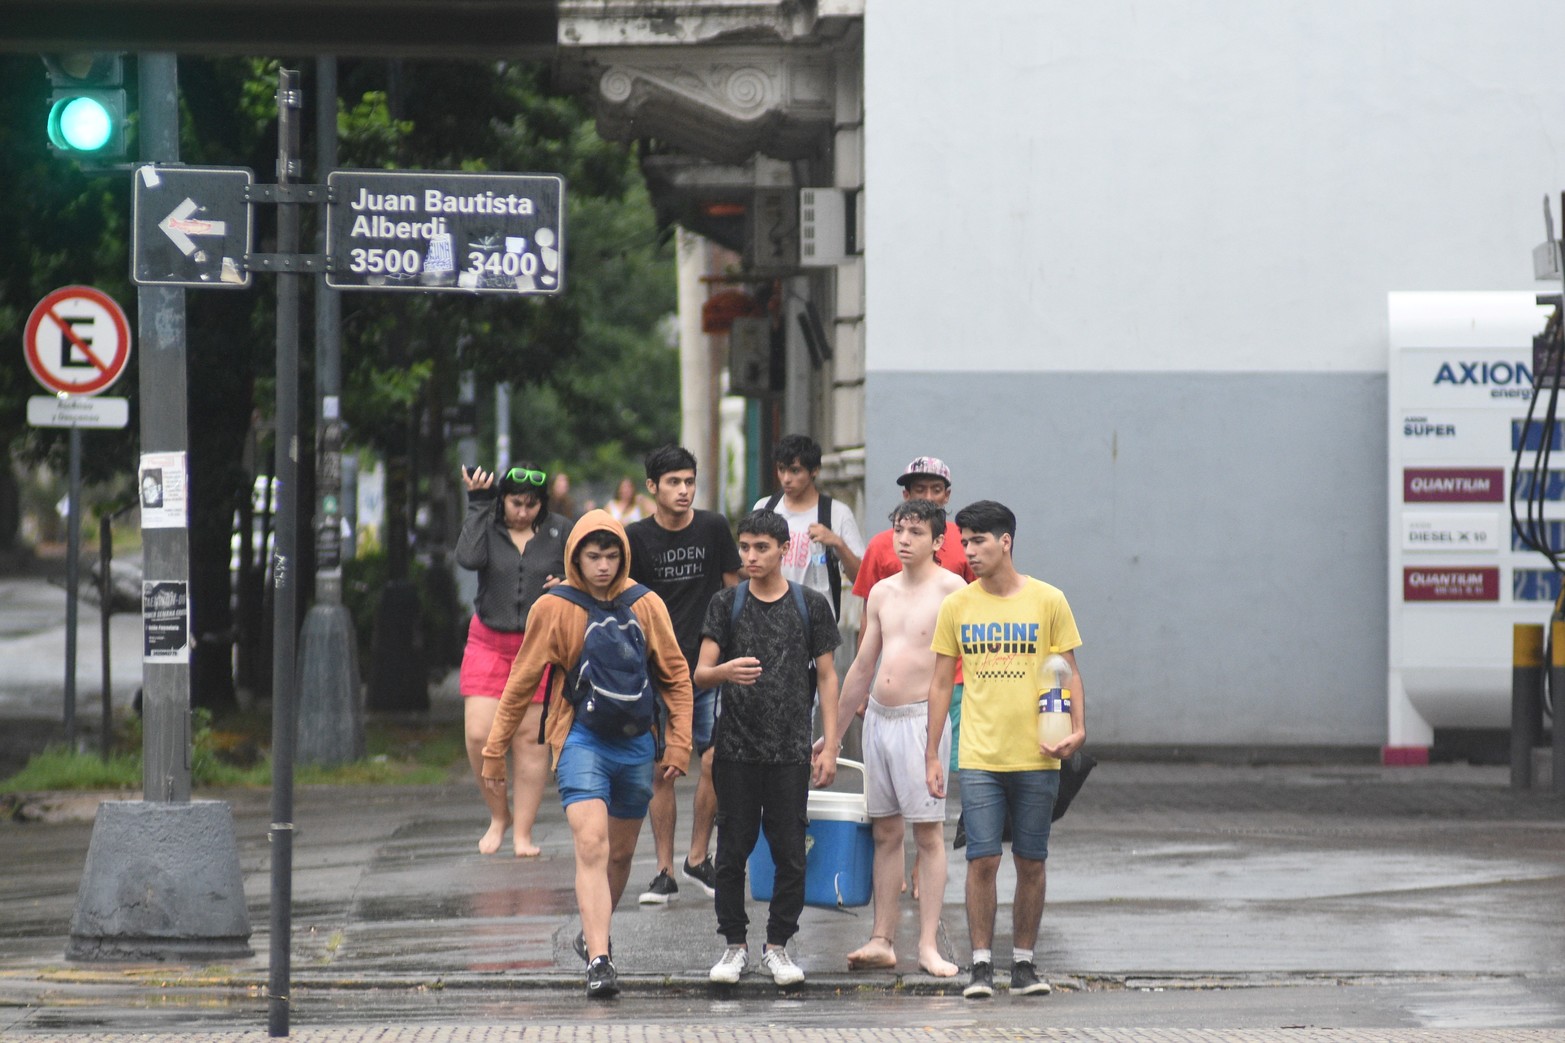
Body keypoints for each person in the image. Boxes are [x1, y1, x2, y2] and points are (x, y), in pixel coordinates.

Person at [482, 510, 693, 999]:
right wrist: (496, 752)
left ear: (623, 556)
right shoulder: (554, 608)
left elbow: (677, 677)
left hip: (638, 744)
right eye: (592, 556)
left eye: (611, 555)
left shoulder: (647, 604)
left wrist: (679, 744)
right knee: (592, 845)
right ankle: (600, 959)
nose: (602, 565)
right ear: (576, 556)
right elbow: (520, 683)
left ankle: (592, 933)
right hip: (580, 739)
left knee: (619, 854)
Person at [925, 500, 1085, 1000]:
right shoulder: (958, 605)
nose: (968, 551)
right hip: (979, 755)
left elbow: (1069, 671)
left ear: (1006, 541)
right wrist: (932, 753)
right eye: (964, 541)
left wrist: (1078, 730)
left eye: (978, 541)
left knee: (1032, 861)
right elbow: (937, 686)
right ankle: (979, 966)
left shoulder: (1048, 600)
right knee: (982, 861)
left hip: (1039, 753)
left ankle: (1023, 964)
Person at [817, 499, 966, 977]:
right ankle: (882, 937)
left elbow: (958, 674)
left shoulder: (954, 591)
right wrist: (834, 736)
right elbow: (862, 666)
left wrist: (933, 749)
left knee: (928, 834)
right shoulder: (880, 591)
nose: (903, 539)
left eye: (916, 532)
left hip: (923, 720)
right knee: (884, 831)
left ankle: (927, 945)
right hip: (879, 719)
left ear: (938, 541)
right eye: (899, 530)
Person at [695, 509, 841, 987]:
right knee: (732, 852)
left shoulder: (810, 604)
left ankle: (778, 946)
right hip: (735, 749)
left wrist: (831, 745)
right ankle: (732, 946)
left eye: (761, 548)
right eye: (745, 547)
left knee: (790, 853)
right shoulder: (726, 603)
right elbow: (700, 673)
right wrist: (725, 672)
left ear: (783, 550)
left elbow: (827, 675)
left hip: (790, 752)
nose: (751, 557)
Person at [625, 445, 741, 904]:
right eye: (674, 482)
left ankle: (698, 857)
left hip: (708, 664)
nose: (684, 490)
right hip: (657, 668)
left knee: (713, 760)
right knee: (663, 771)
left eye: (689, 481)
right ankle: (664, 870)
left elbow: (734, 586)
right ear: (652, 486)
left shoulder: (712, 528)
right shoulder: (636, 537)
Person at [455, 463, 567, 857]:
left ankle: (523, 833)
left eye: (532, 504)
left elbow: (589, 569)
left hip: (537, 647)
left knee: (529, 741)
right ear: (503, 500)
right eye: (516, 503)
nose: (523, 511)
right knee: (480, 735)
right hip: (489, 641)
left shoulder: (559, 532)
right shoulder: (488, 525)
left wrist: (569, 582)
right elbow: (467, 558)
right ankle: (498, 816)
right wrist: (478, 504)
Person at [852, 455, 975, 773]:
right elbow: (869, 616)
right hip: (899, 685)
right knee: (902, 775)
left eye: (937, 489)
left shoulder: (964, 543)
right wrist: (863, 685)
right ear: (906, 495)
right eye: (920, 489)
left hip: (956, 677)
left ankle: (958, 823)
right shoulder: (882, 546)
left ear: (947, 496)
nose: (929, 496)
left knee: (952, 764)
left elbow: (977, 612)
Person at [753, 433, 865, 619]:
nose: (786, 479)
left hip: (816, 624)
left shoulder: (836, 513)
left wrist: (838, 544)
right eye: (781, 469)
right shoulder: (765, 508)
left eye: (795, 471)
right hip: (768, 619)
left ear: (814, 471)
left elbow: (861, 577)